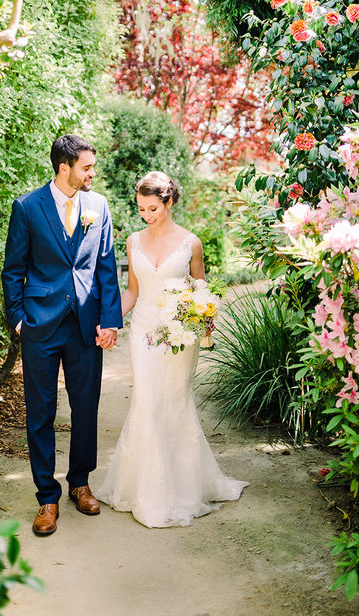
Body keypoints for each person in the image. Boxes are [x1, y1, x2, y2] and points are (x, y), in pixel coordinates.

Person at [97, 171, 248, 527]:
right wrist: (109, 320)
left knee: (175, 403)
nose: (147, 215)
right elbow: (133, 291)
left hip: (180, 337)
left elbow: (201, 291)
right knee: (147, 403)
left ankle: (183, 488)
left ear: (169, 202)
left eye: (153, 208)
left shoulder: (190, 243)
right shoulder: (134, 241)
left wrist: (202, 320)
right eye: (142, 210)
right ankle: (147, 493)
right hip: (144, 333)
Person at [2, 134, 123, 536]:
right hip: (41, 323)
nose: (93, 173)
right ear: (64, 168)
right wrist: (19, 319)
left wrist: (110, 320)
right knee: (40, 412)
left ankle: (80, 483)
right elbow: (12, 269)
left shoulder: (99, 206)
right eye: (87, 167)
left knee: (86, 406)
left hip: (87, 324)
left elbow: (106, 265)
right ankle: (46, 497)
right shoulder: (27, 207)